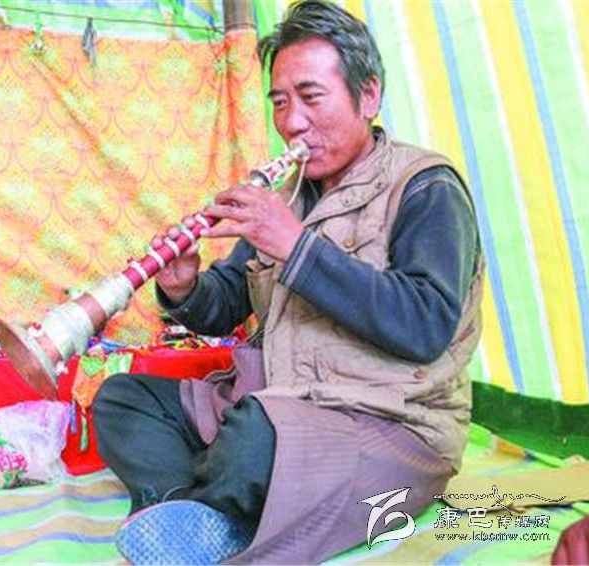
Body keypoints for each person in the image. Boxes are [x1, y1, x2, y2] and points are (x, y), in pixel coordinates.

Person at [92, 0, 483, 563]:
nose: (292, 123)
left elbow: (423, 326)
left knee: (253, 440)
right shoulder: (288, 195)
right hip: (275, 400)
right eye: (279, 102)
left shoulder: (426, 188)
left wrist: (297, 246)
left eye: (311, 97)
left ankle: (202, 496)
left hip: (385, 422)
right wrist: (184, 287)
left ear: (368, 96)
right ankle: (191, 511)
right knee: (122, 400)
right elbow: (227, 301)